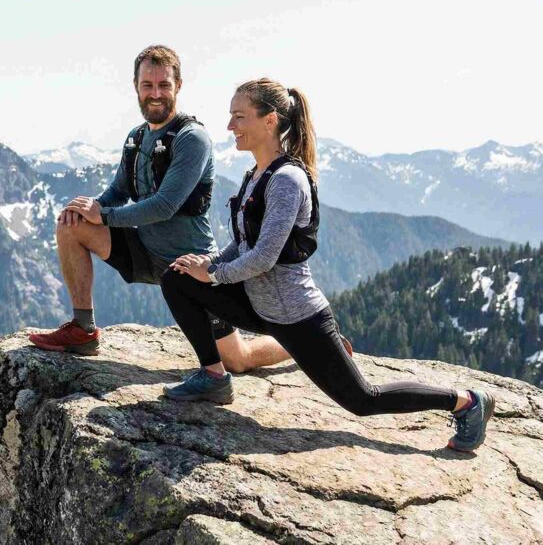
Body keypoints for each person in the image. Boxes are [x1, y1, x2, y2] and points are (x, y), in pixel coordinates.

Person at [160, 77, 495, 452]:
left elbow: (265, 256)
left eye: (239, 117)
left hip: (297, 317)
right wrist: (207, 263)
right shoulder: (253, 176)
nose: (230, 126)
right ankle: (213, 376)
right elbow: (241, 243)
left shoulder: (287, 180)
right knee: (176, 278)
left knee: (363, 400)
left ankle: (467, 401)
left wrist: (216, 275)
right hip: (257, 305)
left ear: (269, 120)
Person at [28, 45, 290, 371]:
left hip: (190, 264)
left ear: (178, 86)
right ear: (136, 87)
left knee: (237, 361)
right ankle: (83, 329)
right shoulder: (136, 138)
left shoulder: (191, 138)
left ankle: (303, 344)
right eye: (147, 85)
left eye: (164, 85)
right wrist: (89, 208)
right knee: (70, 225)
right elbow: (118, 191)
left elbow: (165, 206)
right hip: (143, 250)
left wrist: (104, 216)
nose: (155, 94)